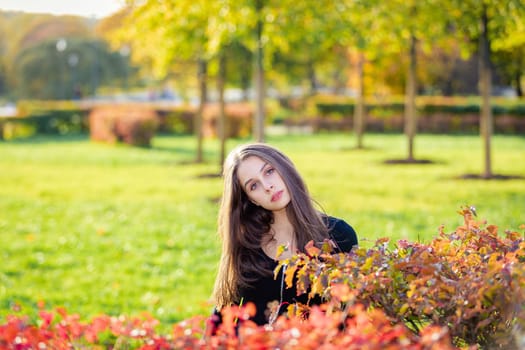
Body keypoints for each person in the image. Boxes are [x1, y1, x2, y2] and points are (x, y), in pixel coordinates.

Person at [210, 143, 358, 328]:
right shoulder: (247, 244)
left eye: (269, 171)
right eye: (254, 185)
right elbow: (221, 316)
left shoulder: (339, 235)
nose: (267, 186)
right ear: (250, 199)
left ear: (284, 168)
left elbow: (352, 319)